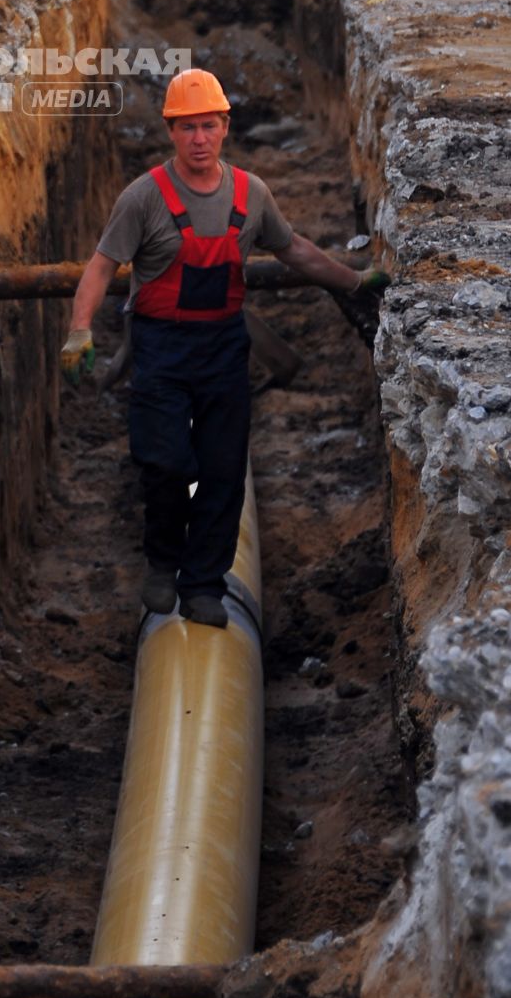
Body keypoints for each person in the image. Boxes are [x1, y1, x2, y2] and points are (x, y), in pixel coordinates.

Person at [60, 68, 390, 629]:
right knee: (165, 462)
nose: (198, 139)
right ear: (170, 131)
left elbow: (296, 252)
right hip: (161, 349)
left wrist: (353, 281)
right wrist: (80, 329)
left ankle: (204, 587)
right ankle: (163, 563)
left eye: (207, 126)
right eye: (186, 128)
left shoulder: (250, 193)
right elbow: (101, 266)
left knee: (222, 470)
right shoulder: (143, 198)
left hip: (222, 348)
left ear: (224, 128)